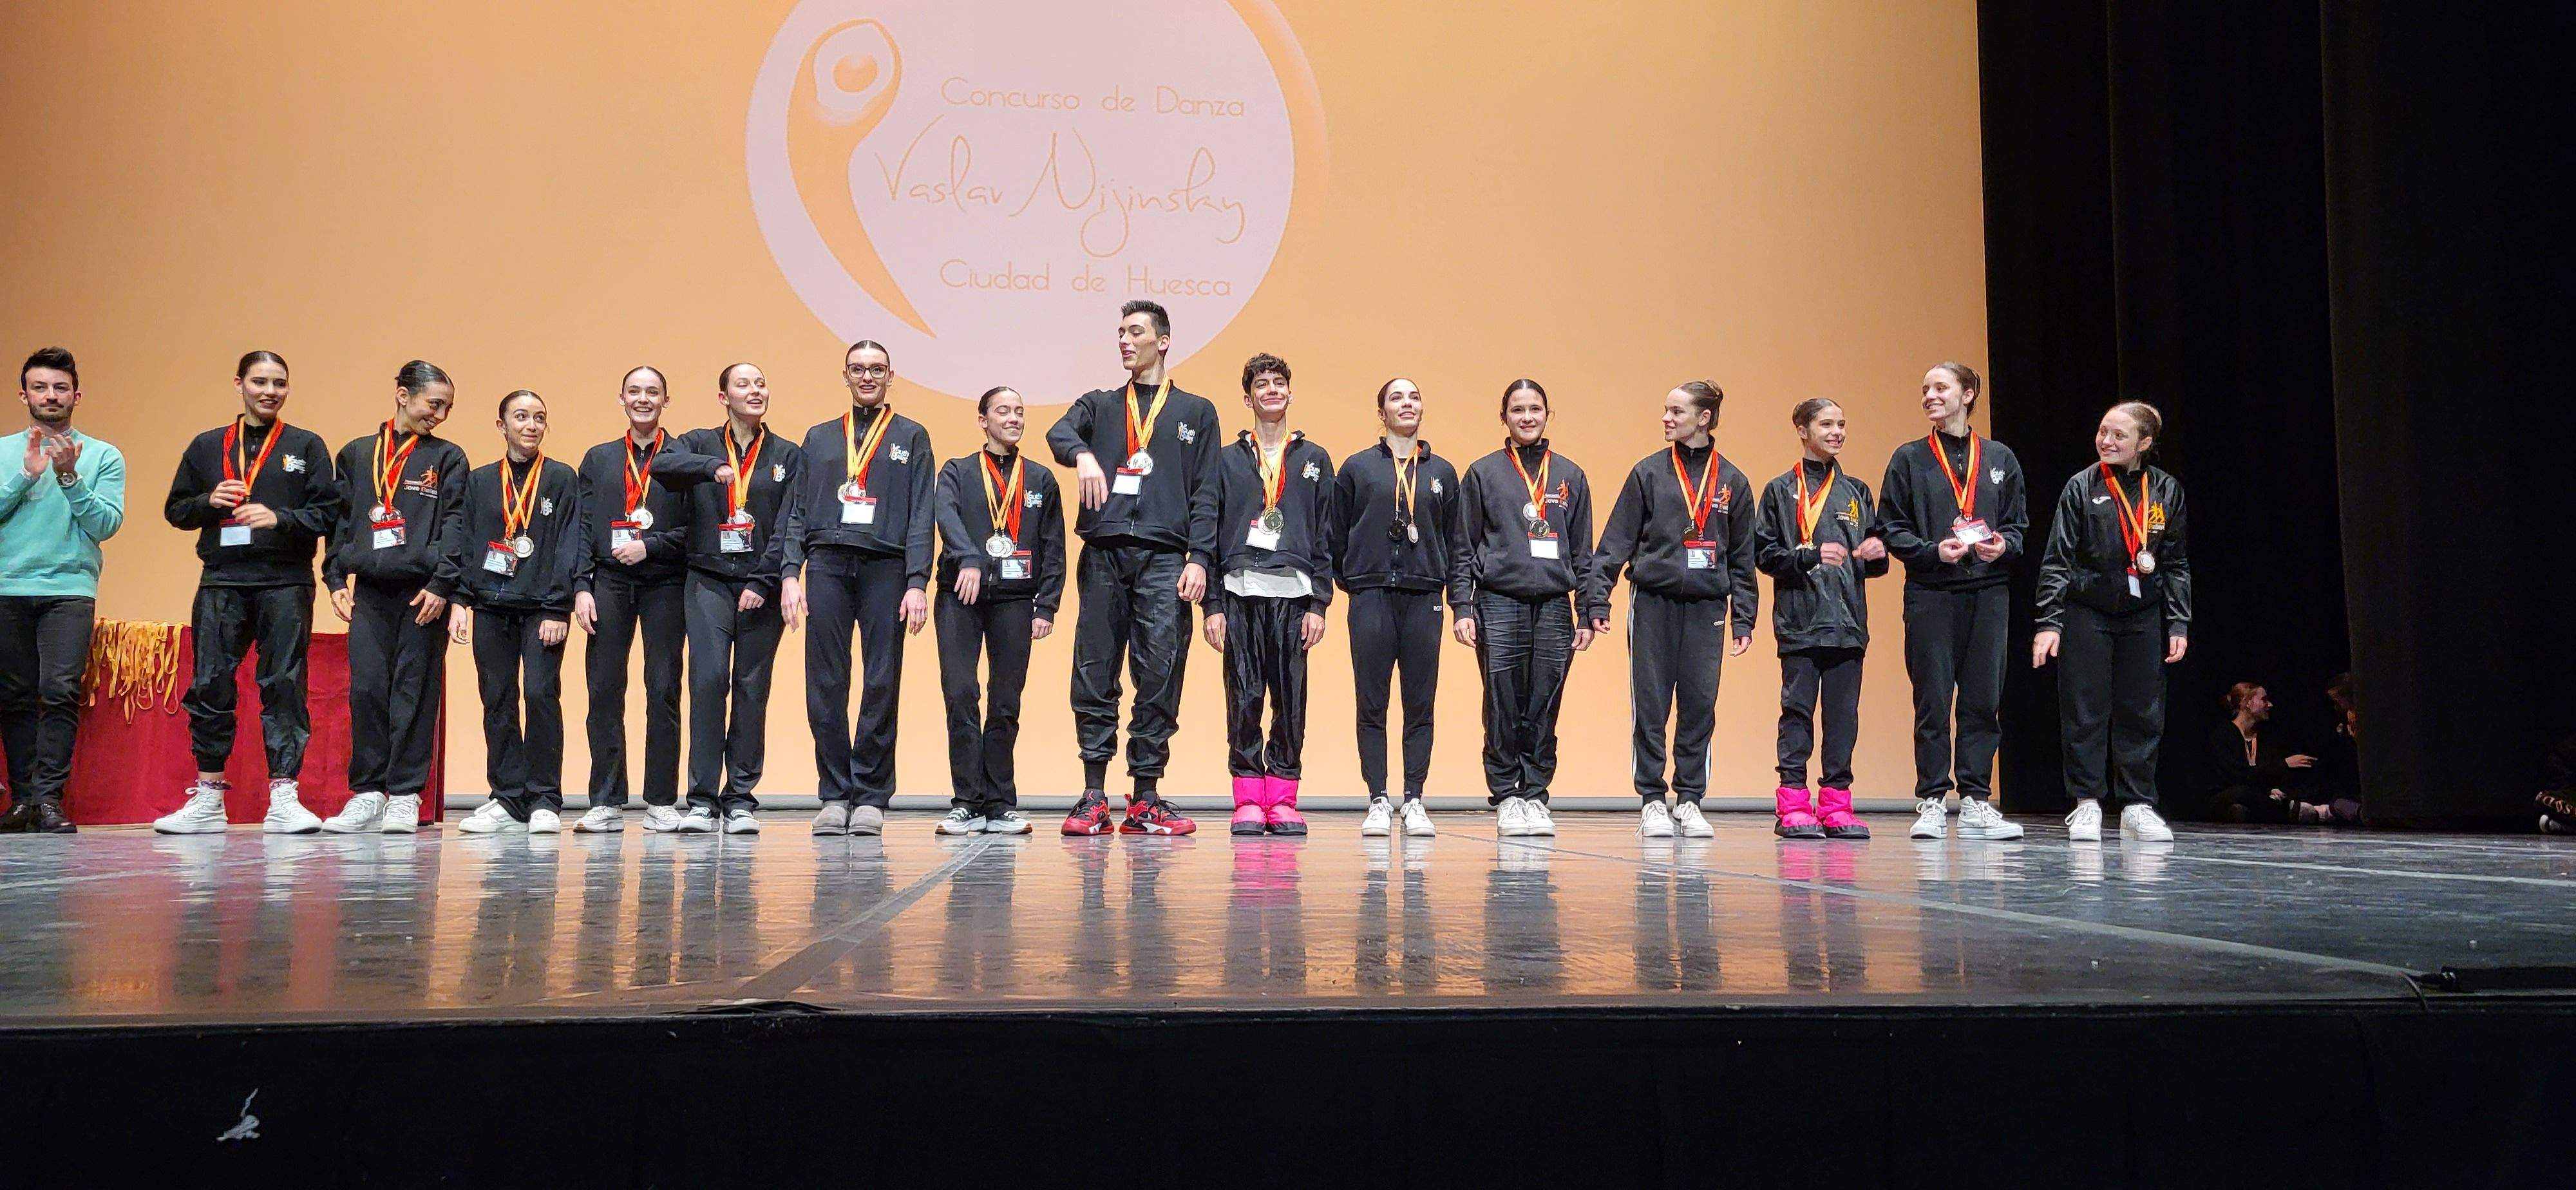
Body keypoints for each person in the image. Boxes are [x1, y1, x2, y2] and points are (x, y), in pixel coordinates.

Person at [1044, 300, 1220, 836]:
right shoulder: (1099, 404)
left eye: (1135, 332)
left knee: (1161, 670)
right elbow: (1058, 434)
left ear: (1162, 341)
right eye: (1120, 331)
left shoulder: (1196, 411)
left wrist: (1199, 558)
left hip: (1167, 558)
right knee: (1094, 669)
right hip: (1104, 552)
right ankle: (1093, 795)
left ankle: (1146, 794)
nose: (1123, 340)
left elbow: (1207, 492)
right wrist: (1085, 456)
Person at [155, 350, 343, 835]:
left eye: (279, 383)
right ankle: (209, 797)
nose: (270, 391)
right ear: (239, 384)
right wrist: (207, 501)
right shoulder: (206, 445)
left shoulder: (307, 445)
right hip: (222, 582)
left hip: (286, 582)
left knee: (283, 685)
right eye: (260, 381)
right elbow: (175, 510)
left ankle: (285, 795)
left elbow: (328, 515)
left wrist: (279, 517)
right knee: (211, 686)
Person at [781, 341, 934, 837]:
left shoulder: (912, 437)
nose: (867, 377)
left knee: (881, 681)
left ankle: (870, 795)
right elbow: (798, 511)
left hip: (885, 567)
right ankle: (833, 793)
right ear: (845, 376)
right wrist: (790, 571)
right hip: (826, 562)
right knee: (825, 682)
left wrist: (917, 582)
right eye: (858, 369)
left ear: (892, 376)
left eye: (877, 369)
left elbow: (920, 515)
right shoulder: (821, 437)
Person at [567, 366, 726, 833]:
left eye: (652, 392)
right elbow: (582, 528)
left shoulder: (682, 458)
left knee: (663, 690)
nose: (643, 399)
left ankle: (660, 800)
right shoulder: (598, 459)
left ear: (666, 401)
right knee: (604, 691)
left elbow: (695, 531)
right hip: (609, 584)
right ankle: (606, 801)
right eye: (634, 391)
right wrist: (581, 586)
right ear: (621, 399)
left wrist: (650, 546)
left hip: (664, 583)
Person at [1596, 381, 1756, 839]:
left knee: (1700, 704)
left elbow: (1741, 557)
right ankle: (1652, 800)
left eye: (1675, 411)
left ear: (1703, 418)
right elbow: (1614, 544)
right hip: (1652, 602)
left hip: (1708, 605)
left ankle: (1689, 799)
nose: (1665, 418)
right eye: (1665, 410)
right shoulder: (1648, 474)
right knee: (1650, 703)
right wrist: (1596, 599)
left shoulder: (1734, 482)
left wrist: (1744, 615)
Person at [1450, 379, 1607, 839]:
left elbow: (1584, 552)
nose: (1527, 417)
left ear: (1547, 414)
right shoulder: (1482, 473)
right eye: (1517, 410)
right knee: (1502, 701)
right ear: (1504, 418)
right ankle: (1506, 794)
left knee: (1545, 701)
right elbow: (1463, 547)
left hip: (1555, 605)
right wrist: (1462, 605)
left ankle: (1536, 793)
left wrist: (1588, 609)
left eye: (1535, 409)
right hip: (1497, 601)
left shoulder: (1571, 477)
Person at [1877, 362, 2027, 842]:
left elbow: (2019, 527)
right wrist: (1931, 552)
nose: (1929, 396)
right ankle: (1933, 801)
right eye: (1925, 389)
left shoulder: (2001, 458)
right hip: (1931, 594)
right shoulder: (1909, 459)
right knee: (1933, 699)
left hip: (1989, 592)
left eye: (1940, 388)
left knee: (1983, 700)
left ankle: (1978, 800)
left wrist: (2003, 545)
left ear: (1968, 394)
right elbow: (1891, 528)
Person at [2033, 401, 2190, 843]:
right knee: (2085, 709)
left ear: (2144, 443)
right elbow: (2057, 559)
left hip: (2144, 613)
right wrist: (2050, 621)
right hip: (2087, 611)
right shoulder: (2081, 487)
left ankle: (2137, 804)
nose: (2106, 441)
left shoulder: (2167, 491)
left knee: (2142, 709)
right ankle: (2086, 803)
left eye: (2119, 436)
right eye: (2103, 431)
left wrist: (2178, 622)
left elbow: (2175, 562)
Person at [320, 361, 466, 835]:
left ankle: (405, 794)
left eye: (447, 408)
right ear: (403, 396)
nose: (439, 416)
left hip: (423, 594)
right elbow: (340, 524)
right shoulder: (358, 454)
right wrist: (336, 578)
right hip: (372, 592)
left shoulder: (448, 458)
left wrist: (443, 585)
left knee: (414, 692)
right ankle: (367, 793)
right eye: (433, 404)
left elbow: (455, 525)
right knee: (366, 690)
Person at [1203, 354, 1336, 836]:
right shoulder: (1225, 460)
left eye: (1280, 383)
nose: (1272, 391)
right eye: (1263, 384)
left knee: (1290, 697)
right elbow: (1211, 533)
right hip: (1239, 590)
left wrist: (1319, 603)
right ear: (1248, 398)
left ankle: (1281, 795)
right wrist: (1212, 606)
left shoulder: (1315, 460)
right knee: (1243, 695)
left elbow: (1326, 536)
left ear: (1290, 393)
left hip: (1294, 595)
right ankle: (1247, 797)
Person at [673, 363, 804, 835]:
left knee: (752, 689)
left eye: (761, 383)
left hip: (759, 586)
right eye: (744, 384)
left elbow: (792, 524)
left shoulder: (787, 453)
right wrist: (712, 467)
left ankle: (741, 798)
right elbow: (666, 466)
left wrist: (764, 581)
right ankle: (703, 799)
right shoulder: (697, 443)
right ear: (722, 396)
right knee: (708, 683)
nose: (756, 391)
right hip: (707, 580)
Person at [0, 346, 126, 835]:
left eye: (59, 388)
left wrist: (69, 477)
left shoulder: (103, 455)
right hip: (8, 588)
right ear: (23, 394)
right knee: (12, 696)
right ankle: (23, 802)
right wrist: (23, 478)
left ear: (76, 394)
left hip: (69, 589)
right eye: (40, 387)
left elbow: (107, 524)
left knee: (58, 692)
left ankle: (49, 800)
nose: (50, 396)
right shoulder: (5, 451)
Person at [930, 386, 1065, 836]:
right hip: (960, 596)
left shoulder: (1040, 479)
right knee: (962, 695)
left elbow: (1053, 546)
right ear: (983, 420)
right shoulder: (958, 471)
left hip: (1015, 600)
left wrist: (1046, 604)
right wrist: (969, 556)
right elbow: (945, 516)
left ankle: (1000, 803)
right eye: (1003, 411)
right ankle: (966, 801)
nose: (1013, 418)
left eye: (1019, 412)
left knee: (1006, 703)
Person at [449, 390, 585, 835]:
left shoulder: (561, 478)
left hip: (541, 610)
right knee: (497, 699)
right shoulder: (480, 481)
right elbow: (467, 542)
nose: (531, 425)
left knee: (542, 695)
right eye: (521, 417)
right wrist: (462, 600)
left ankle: (545, 798)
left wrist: (557, 606)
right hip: (490, 606)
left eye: (539, 418)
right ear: (501, 425)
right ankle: (507, 797)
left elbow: (570, 544)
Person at [1752, 397, 1886, 840]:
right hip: (1800, 622)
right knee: (1798, 712)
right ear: (1802, 429)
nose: (1837, 432)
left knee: (1843, 717)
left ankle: (1836, 803)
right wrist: (1808, 555)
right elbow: (1765, 554)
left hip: (1848, 621)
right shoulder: (1778, 490)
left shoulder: (1857, 492)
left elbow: (1872, 556)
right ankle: (1792, 800)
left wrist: (1877, 555)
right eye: (1826, 423)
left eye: (1842, 424)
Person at [1332, 378, 1455, 840]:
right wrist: (1359, 579)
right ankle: (1379, 799)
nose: (1408, 403)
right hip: (1370, 595)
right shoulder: (1358, 468)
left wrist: (1452, 593)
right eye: (1397, 398)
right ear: (1381, 412)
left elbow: (1454, 541)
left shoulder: (1441, 471)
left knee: (1420, 703)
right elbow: (1337, 533)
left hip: (1425, 596)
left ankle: (1416, 799)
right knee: (1372, 701)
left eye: (1415, 396)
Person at [2206, 683, 2328, 824]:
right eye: (2264, 700)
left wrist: (2272, 789)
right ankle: (2288, 810)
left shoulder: (2266, 736)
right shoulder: (2223, 735)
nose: (2270, 705)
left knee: (2245, 807)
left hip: (2256, 795)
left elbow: (2264, 774)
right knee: (2241, 793)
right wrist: (2284, 765)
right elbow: (2238, 777)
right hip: (2228, 794)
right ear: (2246, 703)